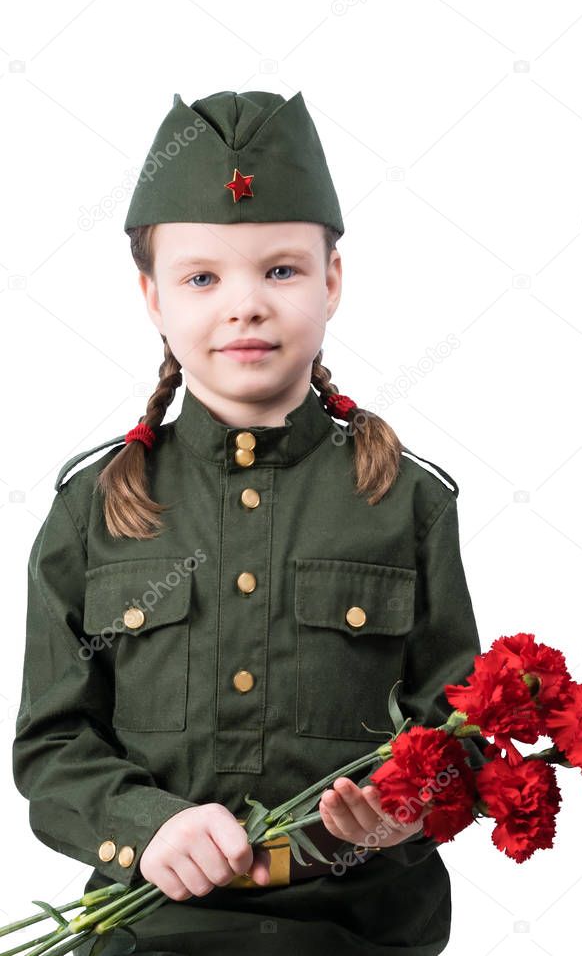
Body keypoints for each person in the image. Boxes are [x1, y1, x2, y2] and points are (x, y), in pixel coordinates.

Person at [12, 89, 486, 955]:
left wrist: (400, 813)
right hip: (149, 929)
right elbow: (54, 740)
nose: (245, 304)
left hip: (363, 930)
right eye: (202, 276)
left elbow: (459, 725)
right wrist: (144, 824)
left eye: (280, 269)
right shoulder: (92, 510)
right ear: (152, 296)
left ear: (331, 280)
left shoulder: (410, 504)